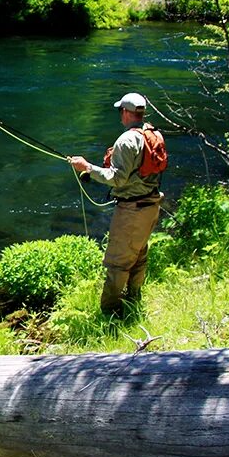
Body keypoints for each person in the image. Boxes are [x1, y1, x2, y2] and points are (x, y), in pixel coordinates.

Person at [68, 93, 165, 317]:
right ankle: (133, 301)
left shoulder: (127, 140)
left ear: (125, 112)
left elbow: (117, 178)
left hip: (132, 211)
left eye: (120, 110)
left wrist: (87, 168)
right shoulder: (153, 133)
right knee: (139, 255)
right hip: (151, 205)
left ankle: (110, 313)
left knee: (118, 263)